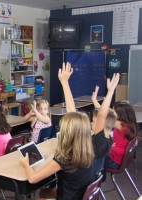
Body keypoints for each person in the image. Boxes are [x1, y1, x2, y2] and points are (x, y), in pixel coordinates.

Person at [19, 63, 95, 200]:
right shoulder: (87, 147)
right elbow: (74, 114)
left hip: (67, 197)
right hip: (78, 195)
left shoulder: (64, 159)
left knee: (42, 195)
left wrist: (25, 164)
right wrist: (65, 82)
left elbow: (32, 179)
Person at [89, 74, 119, 179]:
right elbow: (103, 114)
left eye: (93, 121)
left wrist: (110, 91)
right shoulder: (108, 137)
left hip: (86, 178)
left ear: (101, 124)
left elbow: (102, 115)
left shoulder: (100, 141)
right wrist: (94, 100)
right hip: (95, 177)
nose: (91, 123)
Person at [102, 99, 138, 180]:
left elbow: (103, 114)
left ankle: (97, 178)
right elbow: (108, 111)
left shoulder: (120, 124)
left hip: (114, 162)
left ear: (120, 114)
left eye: (114, 111)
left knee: (93, 155)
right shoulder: (129, 124)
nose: (112, 112)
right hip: (120, 160)